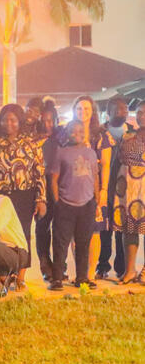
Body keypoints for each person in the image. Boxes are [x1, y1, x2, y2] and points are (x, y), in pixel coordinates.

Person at [0, 103, 47, 289]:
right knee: (2, 234)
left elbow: (39, 172)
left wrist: (41, 198)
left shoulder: (31, 142)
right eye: (4, 119)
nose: (8, 123)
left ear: (19, 121)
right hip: (1, 196)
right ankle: (4, 274)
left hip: (25, 195)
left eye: (13, 119)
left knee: (23, 235)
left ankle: (20, 277)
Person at [47, 120, 99, 291]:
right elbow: (53, 178)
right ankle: (57, 278)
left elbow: (95, 177)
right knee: (60, 243)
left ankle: (82, 277)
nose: (77, 133)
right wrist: (57, 202)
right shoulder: (61, 153)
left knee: (83, 243)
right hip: (66, 204)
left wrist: (96, 200)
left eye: (80, 130)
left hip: (87, 204)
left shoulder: (91, 153)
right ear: (66, 133)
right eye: (72, 131)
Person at [69, 95, 115, 281]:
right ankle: (80, 273)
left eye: (86, 109)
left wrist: (104, 191)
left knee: (94, 231)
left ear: (93, 111)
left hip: (95, 191)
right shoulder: (68, 133)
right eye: (79, 109)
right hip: (72, 191)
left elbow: (106, 165)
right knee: (74, 231)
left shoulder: (101, 135)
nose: (83, 112)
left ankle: (90, 273)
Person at [97, 96, 135, 280]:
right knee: (104, 230)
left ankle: (121, 268)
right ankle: (102, 266)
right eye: (119, 109)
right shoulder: (100, 133)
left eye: (126, 109)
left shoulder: (133, 133)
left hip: (125, 190)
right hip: (105, 189)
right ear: (109, 112)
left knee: (121, 230)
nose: (124, 112)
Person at [112, 100, 145, 284]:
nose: (141, 116)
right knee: (129, 228)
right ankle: (130, 270)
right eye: (139, 112)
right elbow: (118, 159)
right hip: (127, 188)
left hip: (144, 188)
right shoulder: (127, 135)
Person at [34, 103, 62, 280]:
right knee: (42, 226)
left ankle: (60, 266)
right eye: (44, 120)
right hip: (40, 188)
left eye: (51, 120)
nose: (48, 124)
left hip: (59, 186)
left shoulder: (62, 138)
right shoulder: (35, 139)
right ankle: (45, 262)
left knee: (60, 228)